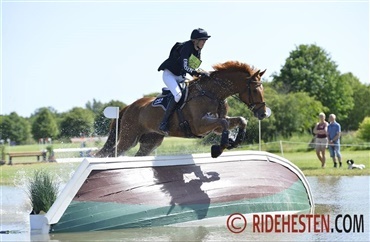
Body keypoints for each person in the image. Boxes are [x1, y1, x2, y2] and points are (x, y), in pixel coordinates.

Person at [157, 28, 211, 135]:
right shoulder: (187, 47)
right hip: (170, 75)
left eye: (205, 40)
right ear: (195, 40)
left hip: (181, 76)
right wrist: (197, 73)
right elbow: (185, 66)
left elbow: (193, 67)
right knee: (178, 95)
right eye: (202, 40)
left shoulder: (197, 51)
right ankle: (164, 122)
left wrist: (203, 73)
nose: (204, 42)